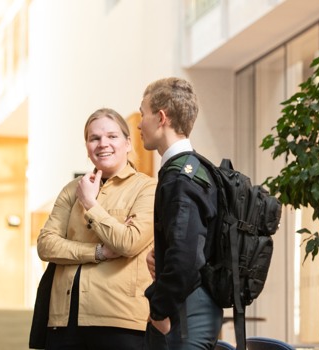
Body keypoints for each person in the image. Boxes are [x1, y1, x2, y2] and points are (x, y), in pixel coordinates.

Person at [36, 108, 156, 350]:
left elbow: (128, 242)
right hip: (64, 318)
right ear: (87, 146)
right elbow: (46, 244)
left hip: (120, 320)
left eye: (112, 136)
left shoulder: (147, 188)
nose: (103, 144)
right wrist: (98, 252)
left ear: (128, 143)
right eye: (95, 138)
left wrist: (90, 203)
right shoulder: (72, 189)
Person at [138, 77, 223, 349]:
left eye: (143, 114)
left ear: (161, 117)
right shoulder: (194, 168)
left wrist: (158, 311)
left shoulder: (180, 178)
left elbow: (186, 256)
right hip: (190, 305)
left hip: (186, 310)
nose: (139, 123)